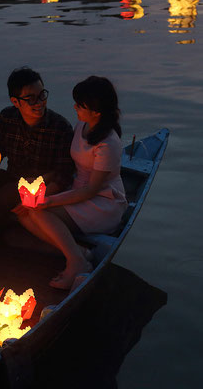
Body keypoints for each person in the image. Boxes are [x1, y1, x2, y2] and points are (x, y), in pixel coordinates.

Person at [0, 67, 75, 267]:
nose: (39, 102)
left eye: (42, 95)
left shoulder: (60, 127)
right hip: (12, 181)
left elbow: (64, 175)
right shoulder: (7, 117)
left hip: (37, 190)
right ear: (15, 102)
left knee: (9, 191)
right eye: (31, 98)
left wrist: (36, 200)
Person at [17, 76, 128, 289]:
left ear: (97, 112)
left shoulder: (108, 143)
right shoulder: (82, 125)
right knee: (25, 214)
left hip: (102, 202)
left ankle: (76, 263)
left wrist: (49, 201)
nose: (75, 107)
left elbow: (91, 189)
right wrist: (44, 186)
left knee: (38, 211)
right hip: (77, 190)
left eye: (80, 105)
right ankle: (80, 253)